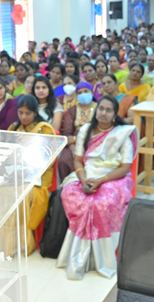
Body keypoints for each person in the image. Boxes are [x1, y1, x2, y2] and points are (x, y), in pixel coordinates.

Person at [57, 95, 138, 280]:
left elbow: (125, 167)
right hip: (86, 173)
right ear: (96, 109)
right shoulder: (86, 130)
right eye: (101, 108)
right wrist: (84, 179)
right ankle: (79, 255)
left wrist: (101, 181)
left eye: (109, 110)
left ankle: (102, 258)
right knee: (71, 194)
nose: (103, 113)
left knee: (102, 203)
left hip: (114, 177)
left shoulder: (122, 133)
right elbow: (78, 159)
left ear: (115, 113)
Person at [8, 94, 56, 254]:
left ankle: (24, 244)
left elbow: (48, 159)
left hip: (39, 175)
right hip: (17, 173)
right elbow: (9, 155)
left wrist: (28, 170)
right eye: (20, 113)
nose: (23, 117)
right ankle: (8, 244)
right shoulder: (14, 128)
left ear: (35, 113)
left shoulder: (44, 129)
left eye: (28, 113)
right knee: (2, 193)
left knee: (24, 195)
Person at [58, 81, 98, 180]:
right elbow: (67, 134)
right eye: (79, 93)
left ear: (92, 93)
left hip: (96, 140)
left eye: (86, 91)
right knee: (64, 160)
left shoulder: (99, 108)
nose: (83, 94)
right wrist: (73, 149)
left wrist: (75, 139)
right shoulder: (72, 110)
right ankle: (68, 186)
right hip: (74, 144)